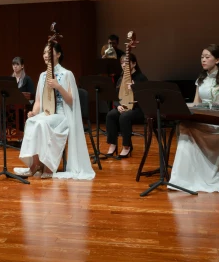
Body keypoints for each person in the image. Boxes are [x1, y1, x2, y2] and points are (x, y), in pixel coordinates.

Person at [14, 43, 95, 180]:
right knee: (31, 122)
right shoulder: (43, 76)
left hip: (63, 115)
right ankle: (35, 165)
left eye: (49, 52)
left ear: (58, 55)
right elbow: (38, 101)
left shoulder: (66, 74)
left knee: (42, 124)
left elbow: (71, 100)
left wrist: (58, 86)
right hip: (47, 114)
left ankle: (49, 166)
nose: (46, 55)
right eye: (44, 52)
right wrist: (34, 112)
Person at [169, 44, 219, 193]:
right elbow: (196, 103)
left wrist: (211, 111)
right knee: (184, 125)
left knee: (187, 127)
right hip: (204, 120)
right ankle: (183, 179)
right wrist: (178, 104)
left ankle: (197, 177)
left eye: (207, 57)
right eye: (202, 57)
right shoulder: (201, 79)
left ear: (217, 60)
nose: (203, 60)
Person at [104, 53, 148, 159]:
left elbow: (146, 97)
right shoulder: (121, 79)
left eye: (126, 62)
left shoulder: (141, 78)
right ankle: (113, 145)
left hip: (138, 110)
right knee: (111, 115)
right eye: (122, 63)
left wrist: (135, 88)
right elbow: (116, 96)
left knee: (125, 116)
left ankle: (126, 146)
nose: (123, 65)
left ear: (133, 64)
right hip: (124, 107)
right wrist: (118, 105)